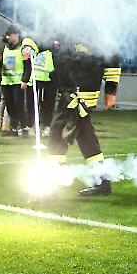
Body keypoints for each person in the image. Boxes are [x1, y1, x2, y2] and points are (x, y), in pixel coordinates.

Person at [47, 40, 112, 197]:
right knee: (85, 137)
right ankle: (102, 181)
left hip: (76, 95)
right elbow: (45, 42)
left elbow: (111, 60)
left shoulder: (91, 35)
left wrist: (111, 90)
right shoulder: (67, 34)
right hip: (72, 93)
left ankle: (54, 180)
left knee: (57, 133)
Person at [0, 26, 33, 136]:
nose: (7, 38)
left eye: (9, 35)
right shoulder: (5, 47)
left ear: (15, 35)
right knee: (10, 105)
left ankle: (23, 127)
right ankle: (13, 128)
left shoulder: (23, 48)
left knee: (19, 105)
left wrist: (25, 80)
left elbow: (28, 66)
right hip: (6, 81)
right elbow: (5, 65)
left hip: (18, 82)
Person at [31, 37, 59, 135]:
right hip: (38, 78)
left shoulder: (58, 44)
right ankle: (35, 125)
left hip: (52, 79)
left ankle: (47, 125)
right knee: (36, 103)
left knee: (49, 104)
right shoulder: (41, 42)